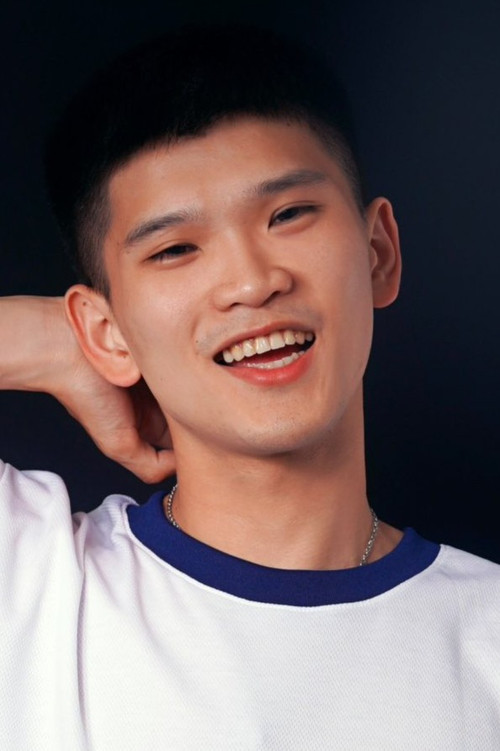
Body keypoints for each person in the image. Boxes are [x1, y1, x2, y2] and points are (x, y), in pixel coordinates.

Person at [1, 24, 499, 750]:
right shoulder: (34, 583)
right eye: (176, 249)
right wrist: (55, 344)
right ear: (105, 331)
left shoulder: (487, 636)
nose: (251, 281)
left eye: (288, 215)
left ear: (378, 253)